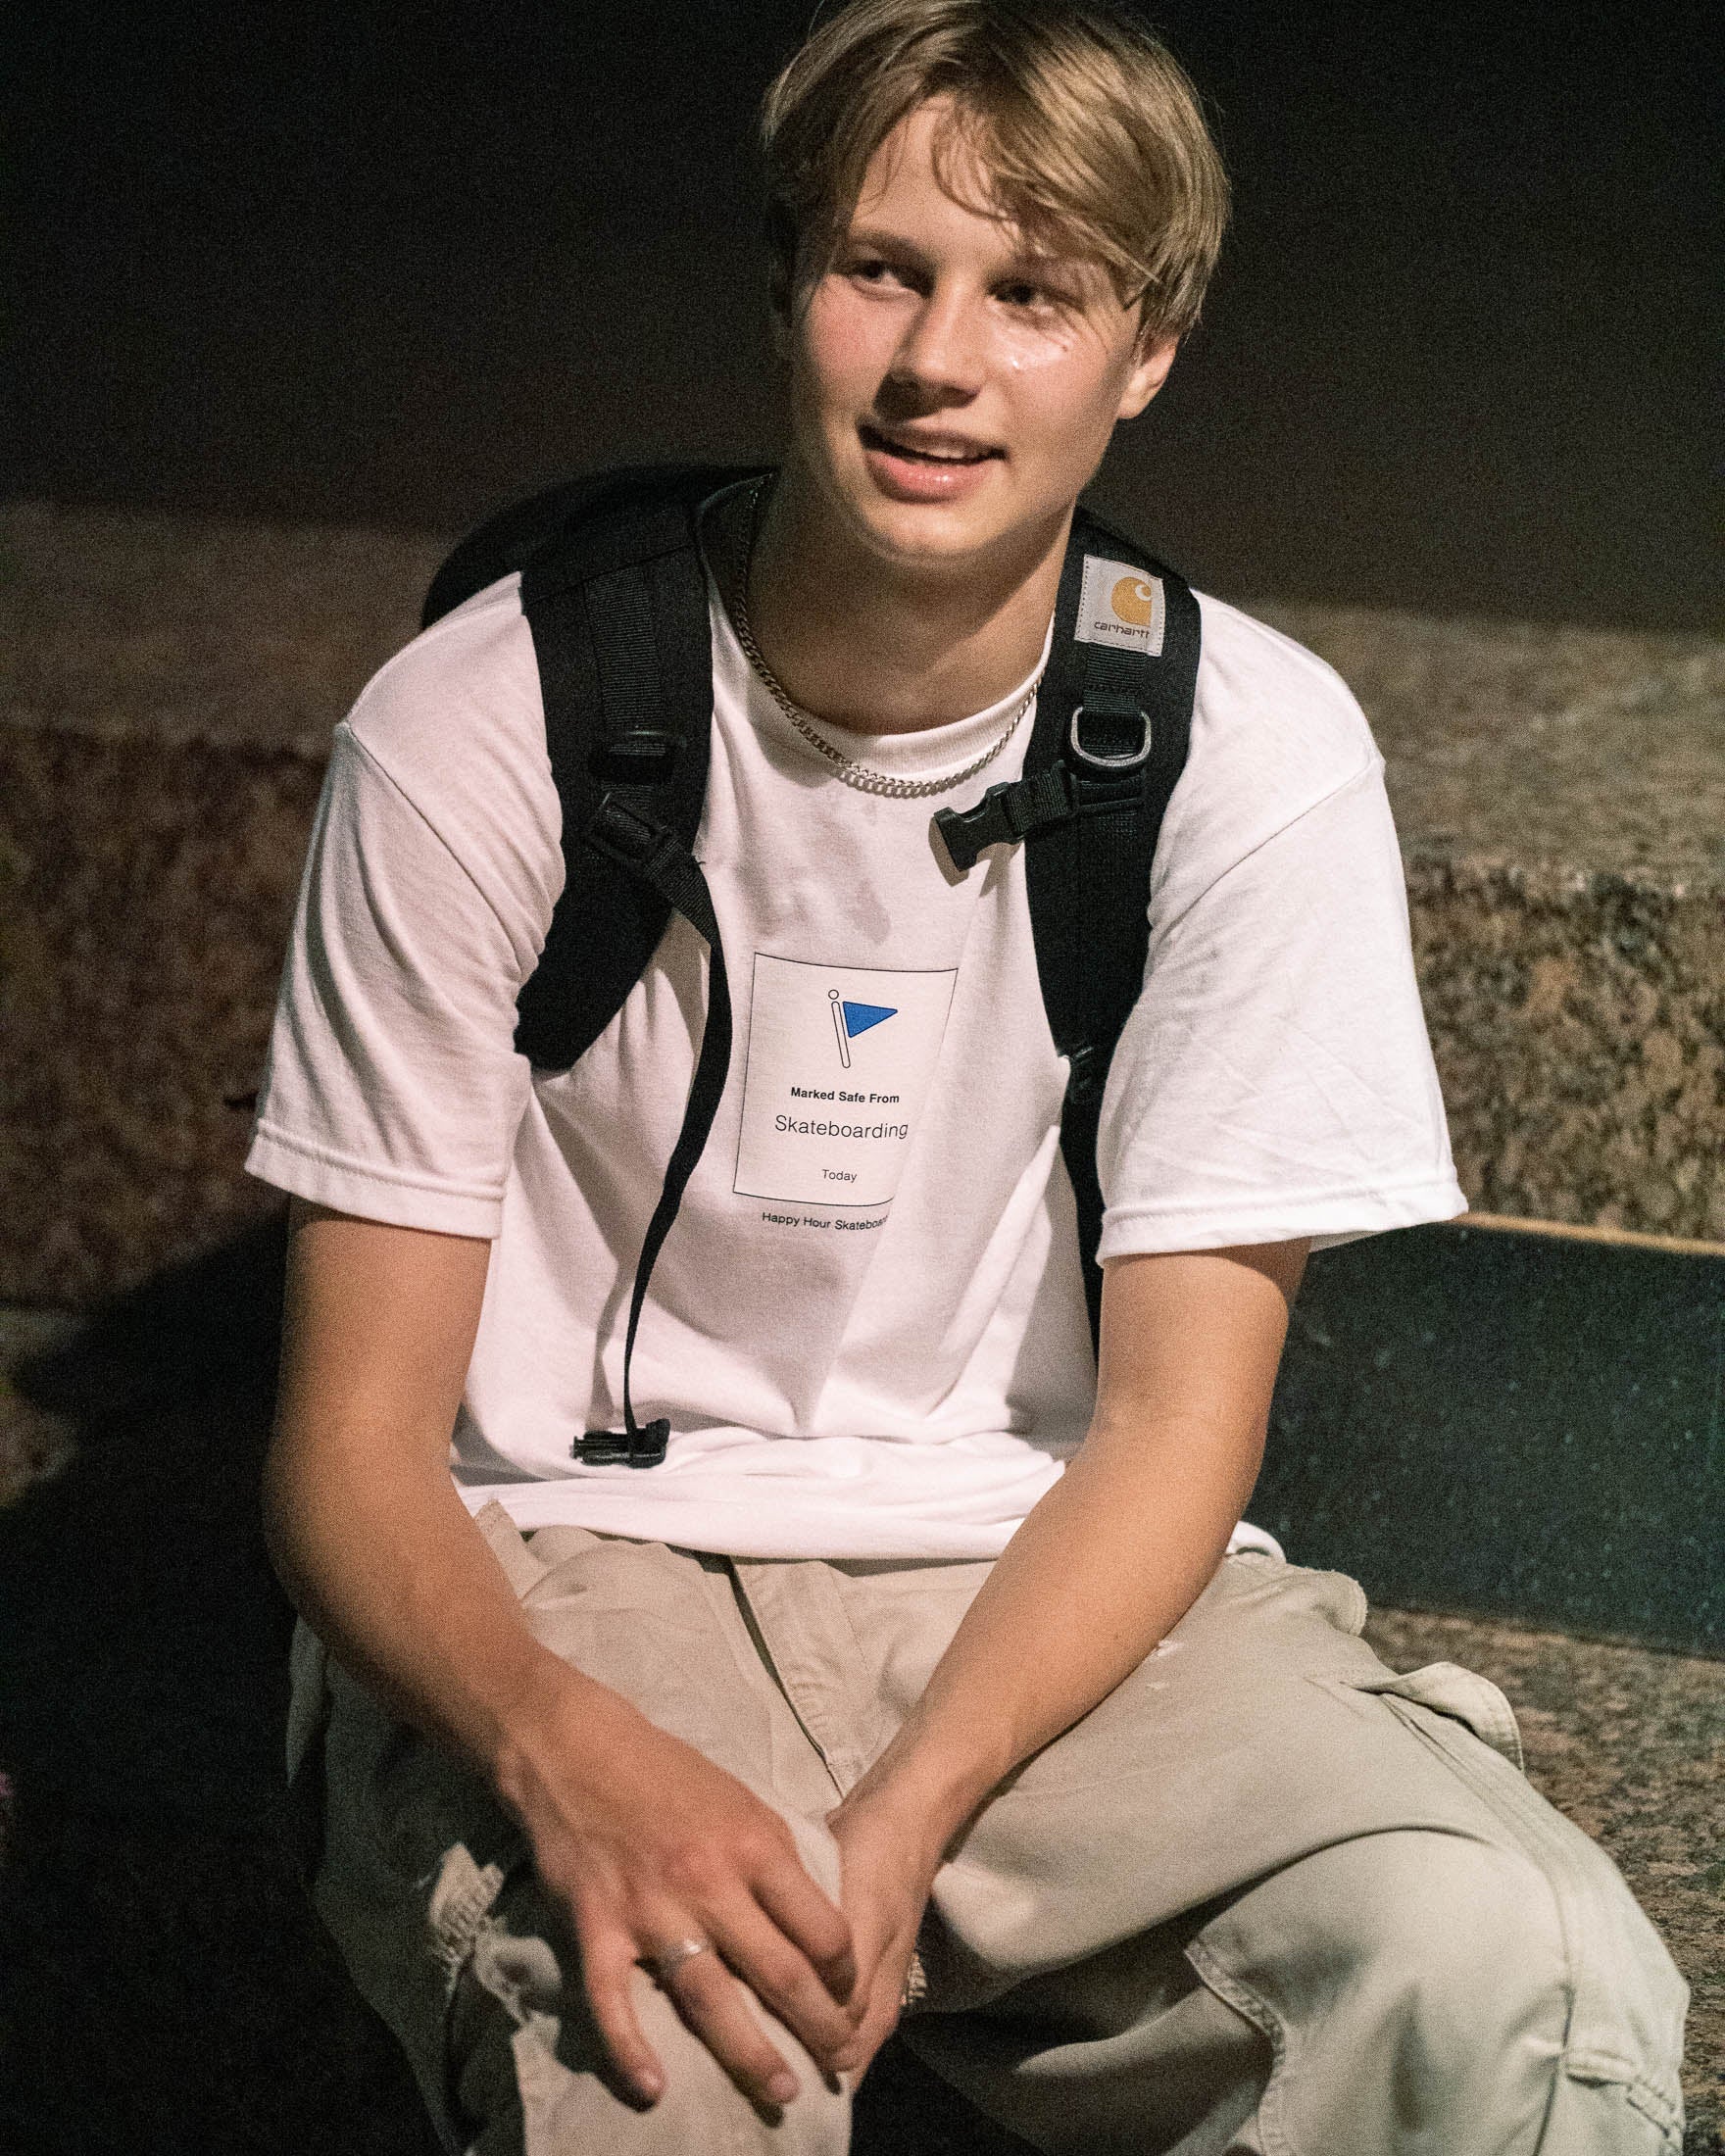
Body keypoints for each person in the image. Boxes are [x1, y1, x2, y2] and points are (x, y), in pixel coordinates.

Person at [247, 3, 1689, 2149]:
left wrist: (909, 1809)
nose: (940, 362)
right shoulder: (486, 723)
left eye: (1035, 295)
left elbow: (1175, 1421)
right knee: (667, 2081)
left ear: (1149, 348)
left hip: (1029, 1591)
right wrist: (561, 1746)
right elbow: (352, 1445)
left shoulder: (1246, 756)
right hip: (560, 1567)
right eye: (880, 270)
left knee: (1508, 1971)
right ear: (782, 287)